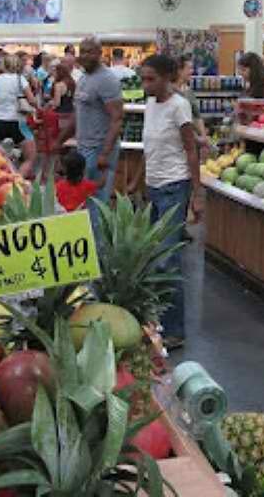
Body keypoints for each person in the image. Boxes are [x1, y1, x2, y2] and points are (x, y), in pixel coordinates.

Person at [139, 53, 202, 349]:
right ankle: (158, 322)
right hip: (153, 188)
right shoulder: (150, 105)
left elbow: (191, 151)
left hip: (175, 187)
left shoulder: (180, 106)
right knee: (153, 258)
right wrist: (138, 181)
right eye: (143, 78)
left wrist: (197, 195)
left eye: (151, 79)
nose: (145, 84)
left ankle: (176, 330)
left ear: (167, 78)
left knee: (168, 259)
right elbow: (148, 147)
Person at [58, 37, 124, 205]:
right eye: (82, 52)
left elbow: (117, 119)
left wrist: (105, 153)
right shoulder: (84, 78)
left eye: (90, 52)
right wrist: (60, 140)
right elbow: (77, 113)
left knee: (96, 202)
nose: (85, 56)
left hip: (99, 149)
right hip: (83, 147)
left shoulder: (107, 79)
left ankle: (97, 232)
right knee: (82, 200)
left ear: (100, 54)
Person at [0, 53, 37, 179]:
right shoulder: (20, 79)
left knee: (3, 157)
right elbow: (32, 100)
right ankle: (17, 182)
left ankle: (4, 180)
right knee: (30, 157)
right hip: (17, 121)